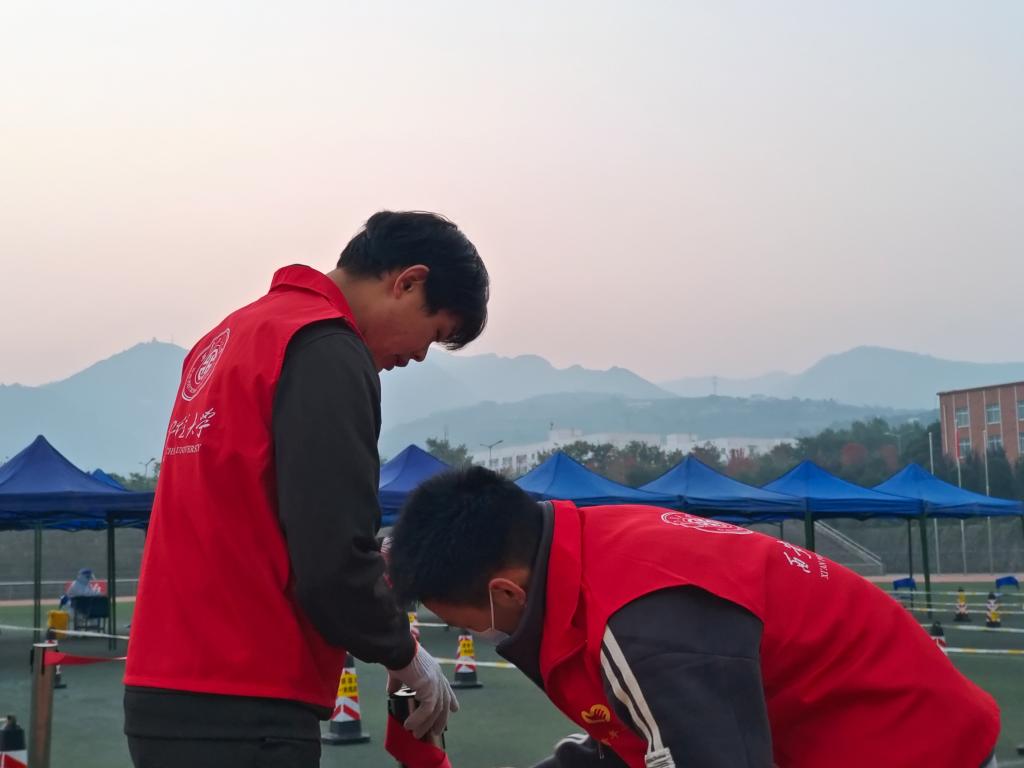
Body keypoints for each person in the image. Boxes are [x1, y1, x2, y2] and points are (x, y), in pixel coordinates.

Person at [124, 211, 489, 767]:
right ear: (408, 282)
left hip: (162, 689)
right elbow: (332, 555)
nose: (418, 355)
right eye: (433, 334)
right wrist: (406, 654)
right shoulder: (324, 347)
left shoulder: (226, 337)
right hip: (249, 696)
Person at [388, 467, 1001, 768]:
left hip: (916, 748)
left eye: (467, 624)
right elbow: (633, 736)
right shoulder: (586, 545)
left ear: (506, 592)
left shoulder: (644, 627)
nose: (477, 637)